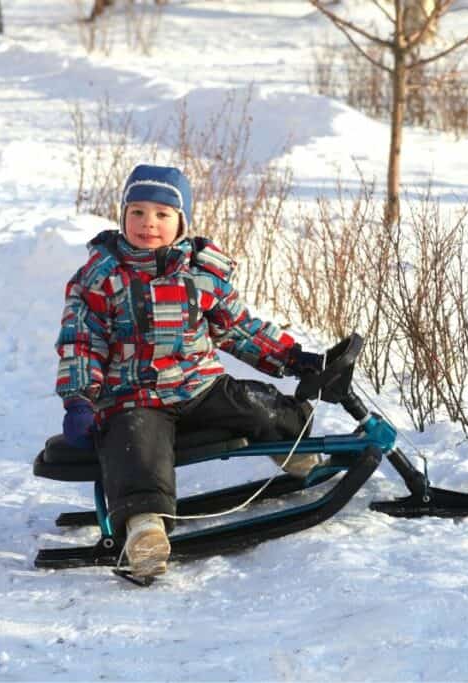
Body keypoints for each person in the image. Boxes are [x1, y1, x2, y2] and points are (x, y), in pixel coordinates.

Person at [55, 164, 325, 579]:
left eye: (162, 215)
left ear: (181, 222)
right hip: (134, 395)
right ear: (123, 215)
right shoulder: (100, 277)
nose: (149, 224)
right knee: (136, 446)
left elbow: (237, 328)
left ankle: (297, 451)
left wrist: (290, 358)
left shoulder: (202, 273)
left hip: (199, 385)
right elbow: (82, 343)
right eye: (138, 212)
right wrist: (79, 400)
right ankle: (145, 528)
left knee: (255, 404)